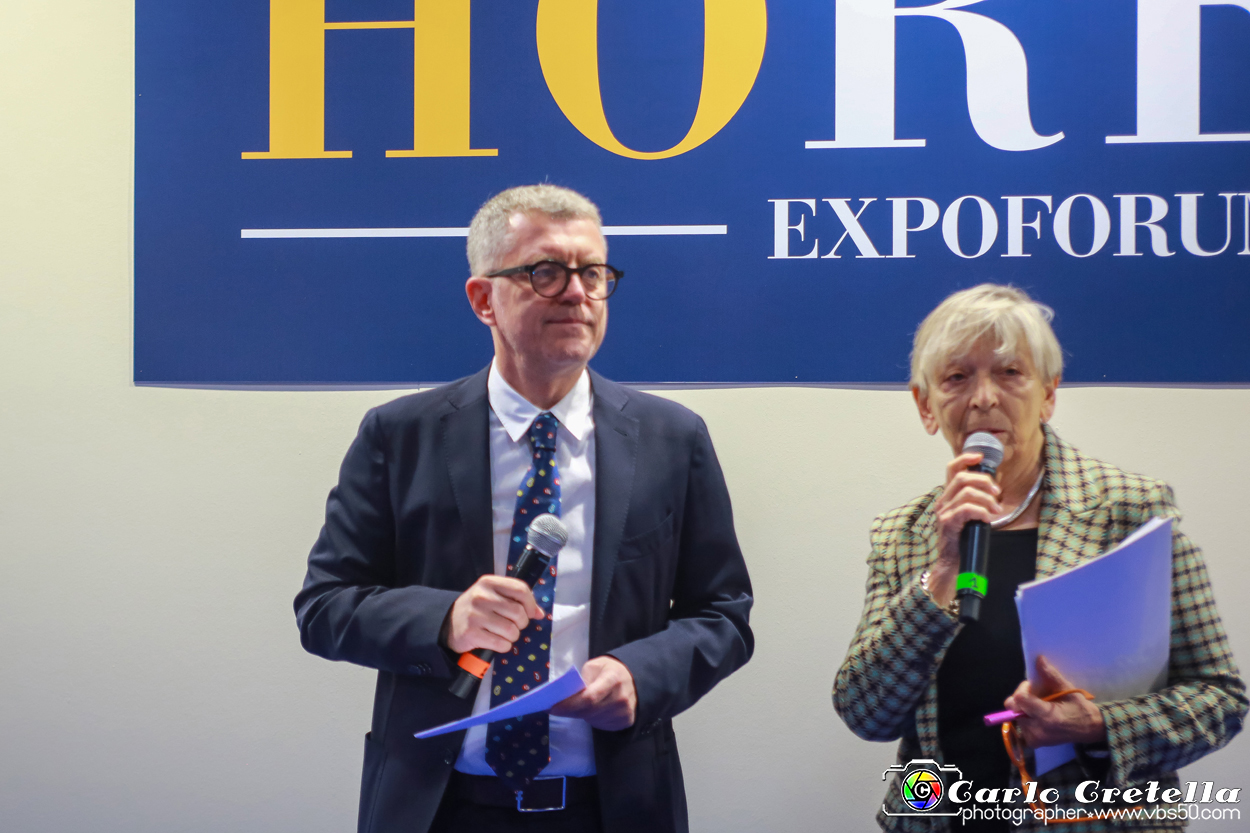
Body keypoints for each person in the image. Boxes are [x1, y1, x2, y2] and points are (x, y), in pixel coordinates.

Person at [294, 184, 754, 833]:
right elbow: (325, 606)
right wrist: (446, 619)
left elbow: (724, 615)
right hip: (440, 806)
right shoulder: (399, 436)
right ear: (483, 299)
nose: (577, 293)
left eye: (592, 273)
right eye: (546, 272)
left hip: (614, 807)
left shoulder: (672, 440)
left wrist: (639, 673)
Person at [833, 284, 1246, 831]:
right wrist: (943, 571)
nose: (983, 398)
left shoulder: (1131, 513)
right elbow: (866, 713)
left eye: (1010, 373)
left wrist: (1098, 724)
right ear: (925, 405)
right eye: (956, 378)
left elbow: (1220, 699)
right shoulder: (902, 535)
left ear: (1048, 394)